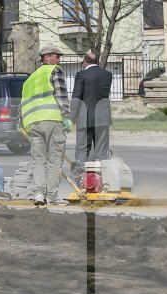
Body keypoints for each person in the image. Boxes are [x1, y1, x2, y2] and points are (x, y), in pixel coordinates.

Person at [20, 45, 72, 206]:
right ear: (47, 57)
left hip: (33, 124)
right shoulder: (54, 71)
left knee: (39, 160)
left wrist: (20, 122)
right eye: (57, 56)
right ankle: (52, 196)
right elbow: (61, 94)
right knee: (55, 159)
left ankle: (38, 195)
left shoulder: (30, 78)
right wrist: (66, 116)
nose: (59, 60)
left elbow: (22, 102)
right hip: (52, 120)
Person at [69, 51, 113, 179]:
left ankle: (80, 180)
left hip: (84, 118)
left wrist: (72, 118)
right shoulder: (107, 75)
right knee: (101, 152)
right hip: (102, 118)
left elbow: (77, 97)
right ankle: (102, 179)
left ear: (84, 63)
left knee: (82, 150)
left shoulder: (81, 75)